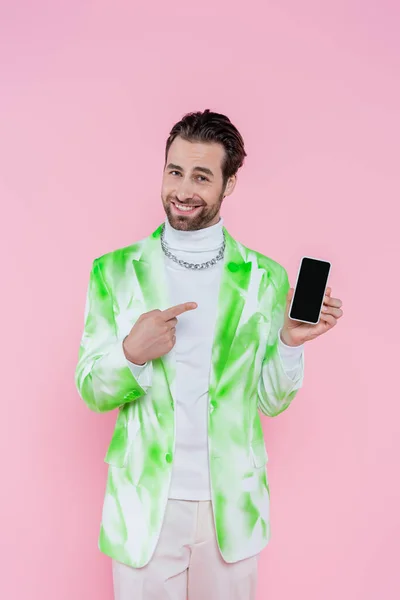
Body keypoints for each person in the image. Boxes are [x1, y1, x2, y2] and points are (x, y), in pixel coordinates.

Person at [75, 109, 343, 600]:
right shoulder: (113, 272)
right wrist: (133, 353)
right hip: (145, 506)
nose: (183, 189)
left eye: (201, 176)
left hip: (231, 508)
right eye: (174, 171)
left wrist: (288, 343)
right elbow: (92, 389)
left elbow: (270, 401)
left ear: (230, 183)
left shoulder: (265, 277)